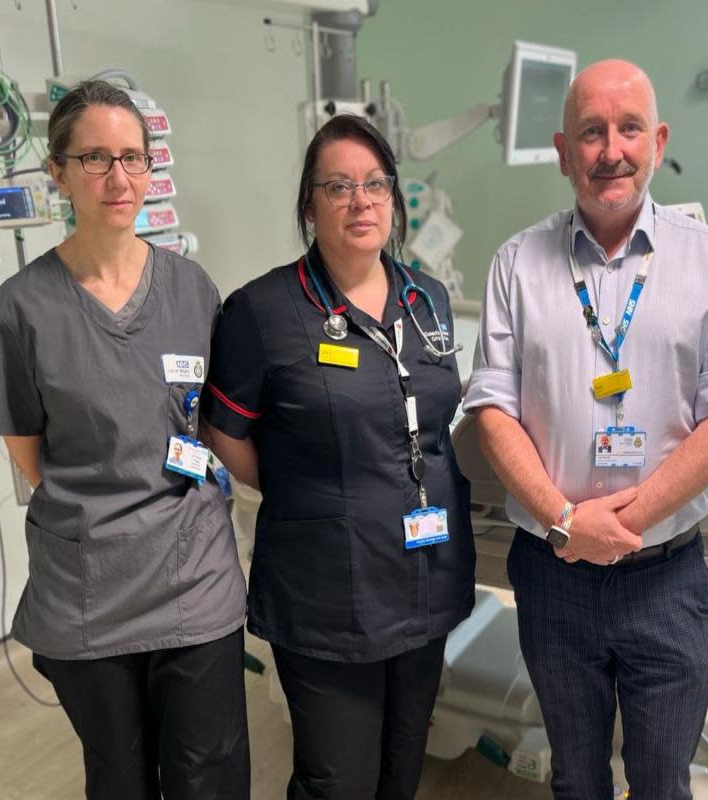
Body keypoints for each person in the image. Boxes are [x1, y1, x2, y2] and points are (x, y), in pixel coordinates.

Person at [463, 60, 708, 799]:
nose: (612, 150)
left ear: (657, 141)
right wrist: (566, 521)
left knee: (663, 782)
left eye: (629, 128)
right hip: (553, 573)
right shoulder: (517, 265)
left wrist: (627, 520)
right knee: (576, 778)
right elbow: (492, 410)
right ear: (565, 152)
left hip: (664, 575)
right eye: (591, 132)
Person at [0, 80, 249, 800]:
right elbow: (28, 452)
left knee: (209, 778)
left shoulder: (192, 290)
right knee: (121, 781)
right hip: (88, 593)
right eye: (95, 158)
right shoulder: (21, 309)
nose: (119, 178)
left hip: (195, 579)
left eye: (133, 157)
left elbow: (211, 422)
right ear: (57, 172)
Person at [201, 114, 474, 800]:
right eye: (339, 186)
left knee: (401, 769)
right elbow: (224, 431)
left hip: (425, 577)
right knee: (337, 781)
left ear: (394, 197)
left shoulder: (426, 300)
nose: (362, 201)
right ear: (309, 204)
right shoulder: (262, 313)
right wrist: (312, 492)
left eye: (376, 184)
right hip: (328, 594)